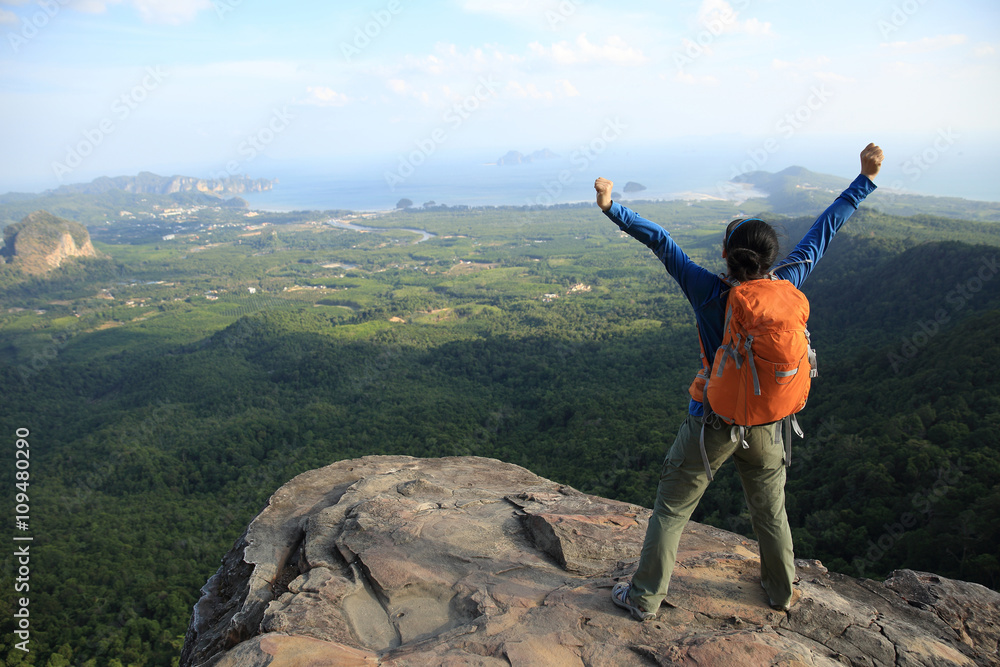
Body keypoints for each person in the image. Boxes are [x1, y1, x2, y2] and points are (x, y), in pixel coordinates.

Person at [596, 143, 885, 620]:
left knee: (672, 510)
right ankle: (781, 592)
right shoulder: (788, 283)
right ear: (770, 257)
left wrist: (612, 208)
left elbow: (662, 242)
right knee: (770, 511)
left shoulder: (708, 291)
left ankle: (644, 597)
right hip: (770, 422)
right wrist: (864, 180)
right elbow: (823, 231)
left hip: (712, 421)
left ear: (727, 256)